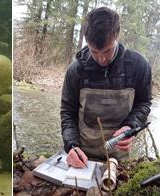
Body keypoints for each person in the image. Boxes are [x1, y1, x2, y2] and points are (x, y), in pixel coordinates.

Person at [60, 7, 152, 168]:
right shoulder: (76, 70)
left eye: (107, 51)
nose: (102, 59)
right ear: (87, 42)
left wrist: (131, 126)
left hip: (118, 158)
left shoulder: (139, 66)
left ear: (117, 36)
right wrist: (71, 146)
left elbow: (143, 103)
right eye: (94, 51)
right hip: (82, 155)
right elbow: (68, 111)